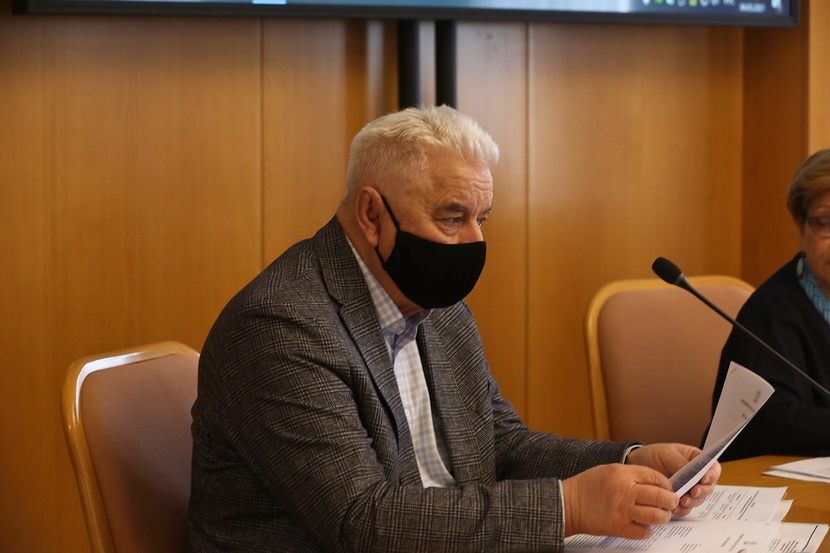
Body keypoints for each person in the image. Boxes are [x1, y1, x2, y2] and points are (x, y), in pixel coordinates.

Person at [188, 105, 720, 552]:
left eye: (481, 219)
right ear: (372, 215)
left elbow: (500, 445)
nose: (474, 243)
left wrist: (630, 463)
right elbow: (361, 521)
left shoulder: (440, 310)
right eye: (451, 218)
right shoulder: (281, 325)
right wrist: (571, 506)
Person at [710, 149, 830, 461]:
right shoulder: (771, 313)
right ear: (802, 226)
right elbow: (768, 421)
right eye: (825, 223)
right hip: (759, 482)